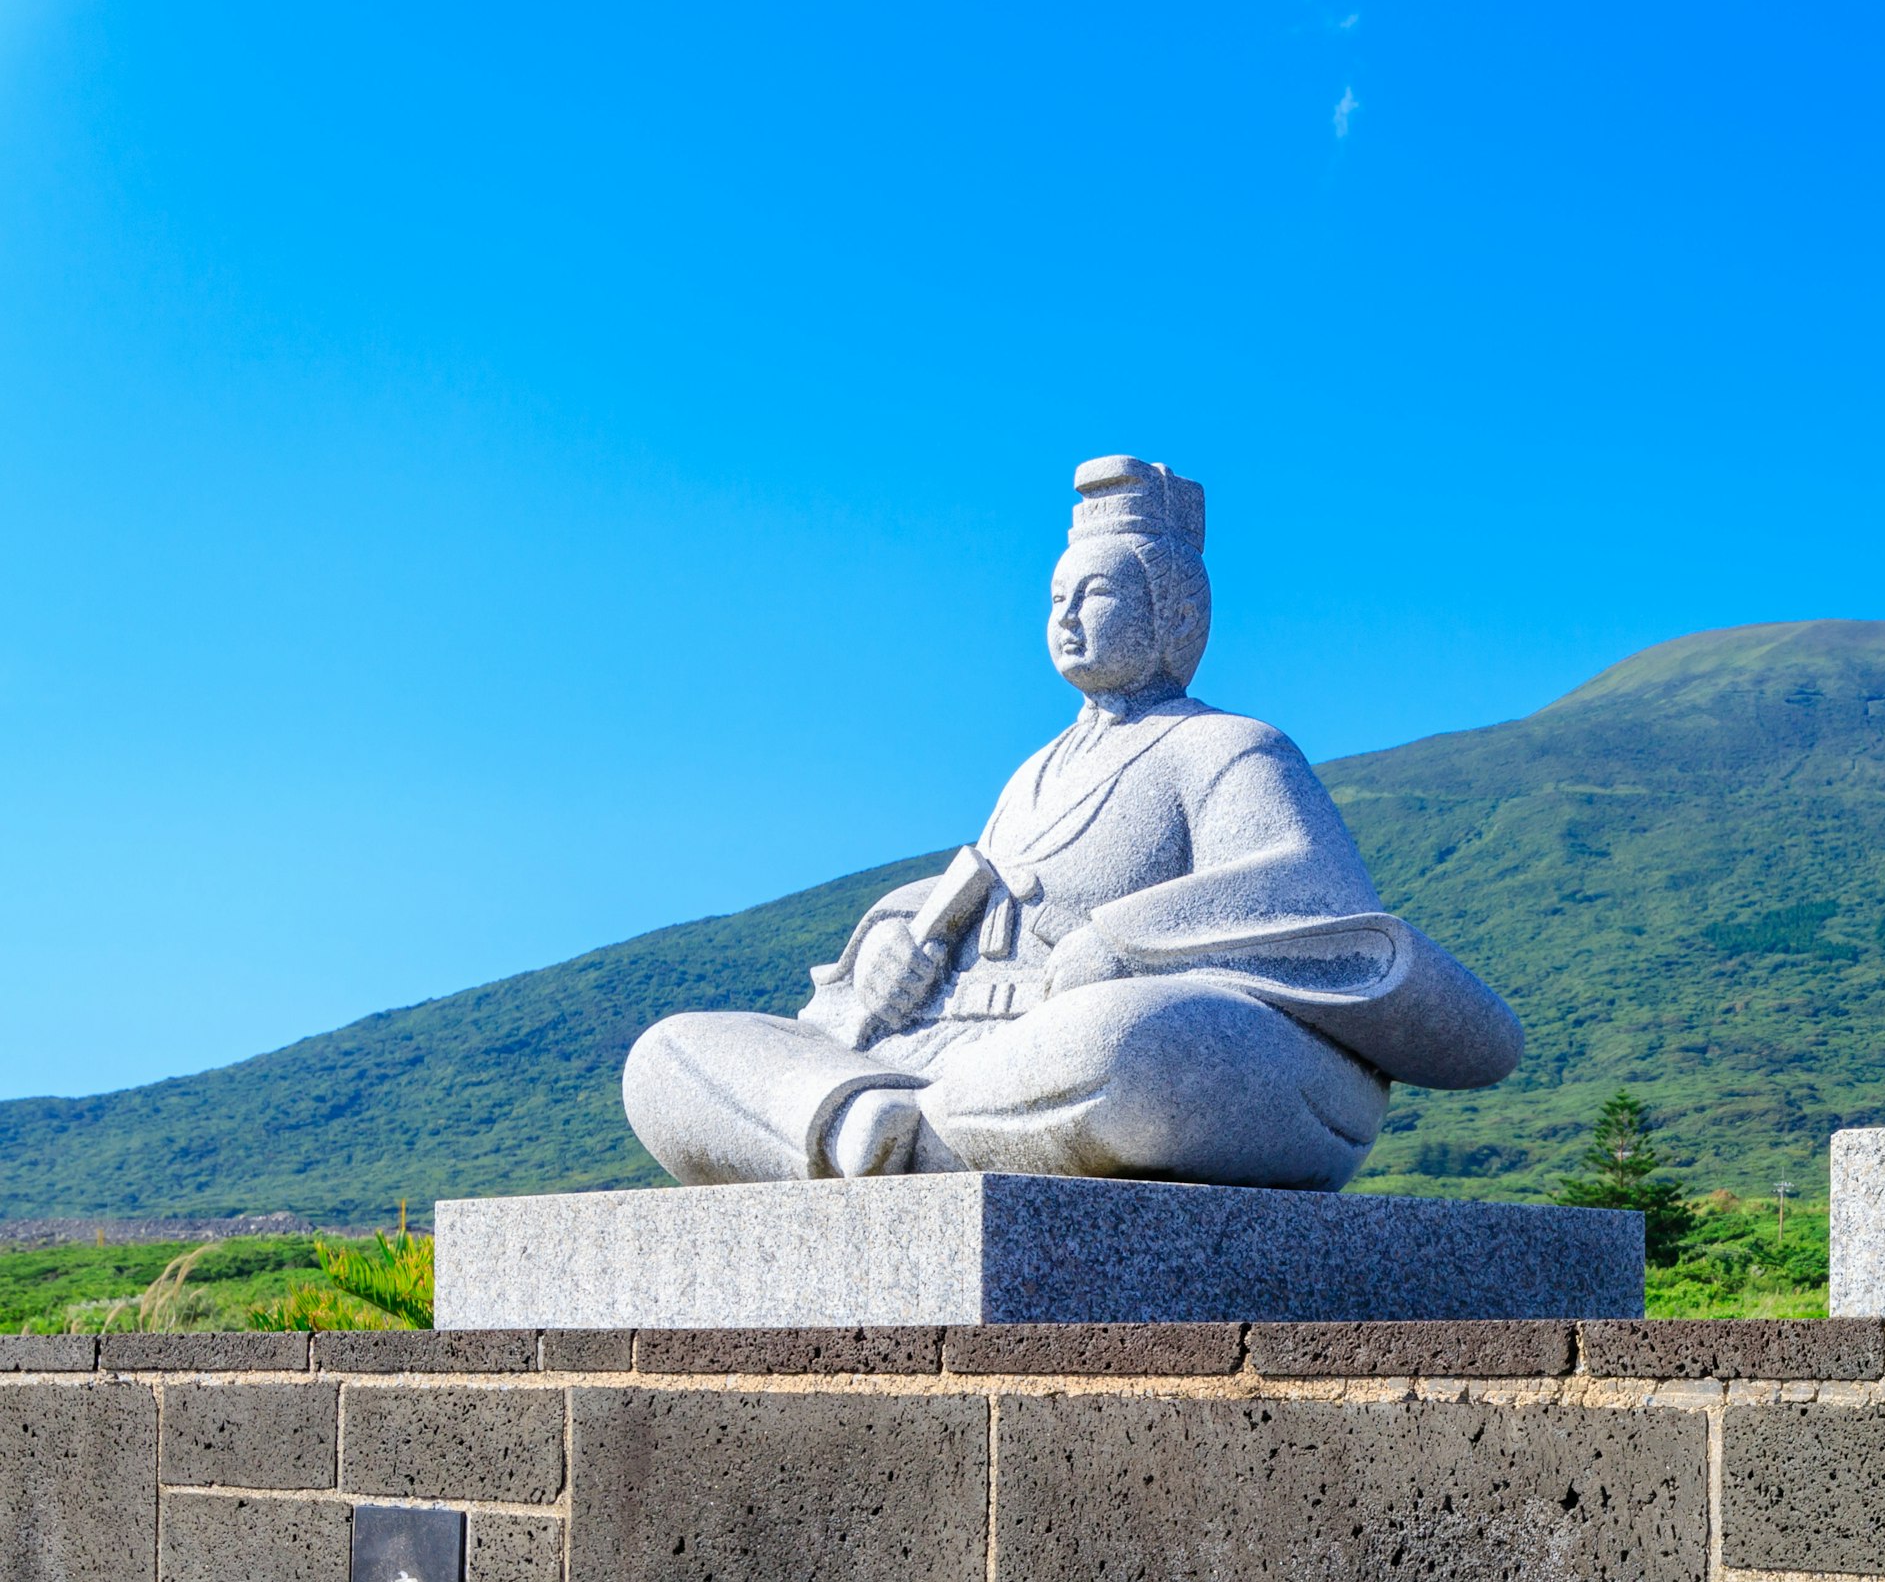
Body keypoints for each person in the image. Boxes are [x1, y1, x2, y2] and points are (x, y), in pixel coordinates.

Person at [622, 457, 1522, 1189]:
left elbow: (1308, 893)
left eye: (1093, 595)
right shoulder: (1031, 774)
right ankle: (870, 1128)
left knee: (1128, 1044)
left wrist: (1121, 941)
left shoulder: (1227, 747)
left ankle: (906, 1135)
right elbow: (969, 909)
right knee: (670, 1055)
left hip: (1085, 1046)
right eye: (1055, 599)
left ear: (1172, 611)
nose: (1065, 617)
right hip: (958, 1054)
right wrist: (894, 943)